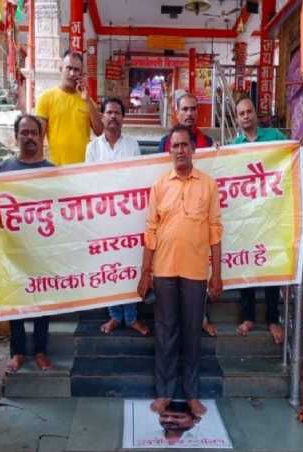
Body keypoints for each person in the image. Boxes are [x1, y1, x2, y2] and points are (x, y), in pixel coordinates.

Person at [138, 124, 223, 417]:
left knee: (191, 334)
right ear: (169, 150)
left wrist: (218, 274)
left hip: (196, 271)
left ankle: (192, 394)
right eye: (175, 146)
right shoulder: (160, 185)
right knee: (165, 332)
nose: (180, 150)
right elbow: (150, 230)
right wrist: (145, 272)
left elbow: (215, 231)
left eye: (184, 145)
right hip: (163, 270)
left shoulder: (208, 185)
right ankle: (163, 393)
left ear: (193, 149)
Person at [85, 98, 150, 336]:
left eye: (117, 113)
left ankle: (131, 317)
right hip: (104, 218)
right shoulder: (92, 148)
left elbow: (137, 178)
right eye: (109, 112)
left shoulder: (132, 146)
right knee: (109, 265)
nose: (113, 116)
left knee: (129, 265)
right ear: (102, 117)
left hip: (128, 216)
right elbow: (90, 182)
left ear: (123, 117)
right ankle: (114, 316)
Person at [158, 93, 218, 337]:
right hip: (167, 255)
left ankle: (202, 318)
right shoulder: (164, 140)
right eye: (185, 109)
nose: (190, 113)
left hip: (198, 237)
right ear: (177, 111)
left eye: (194, 109)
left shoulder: (208, 141)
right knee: (168, 326)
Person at [0, 114, 55, 371]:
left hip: (41, 249)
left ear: (41, 137)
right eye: (25, 132)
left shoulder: (51, 171)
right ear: (16, 136)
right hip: (14, 249)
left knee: (43, 301)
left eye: (34, 132)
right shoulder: (5, 168)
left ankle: (41, 351)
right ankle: (18, 352)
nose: (30, 137)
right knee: (15, 301)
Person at [232, 95, 286, 344]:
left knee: (271, 266)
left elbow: (293, 155)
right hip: (247, 216)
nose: (246, 116)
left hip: (271, 212)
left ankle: (273, 319)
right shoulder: (234, 146)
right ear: (237, 117)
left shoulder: (274, 136)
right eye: (241, 113)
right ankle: (248, 316)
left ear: (255, 113)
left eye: (249, 111)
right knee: (248, 266)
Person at [35, 50, 103, 165]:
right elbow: (38, 138)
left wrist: (87, 100)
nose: (72, 73)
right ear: (61, 68)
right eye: (69, 68)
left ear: (81, 74)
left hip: (82, 168)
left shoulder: (87, 101)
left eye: (76, 70)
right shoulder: (46, 98)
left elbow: (99, 131)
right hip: (55, 168)